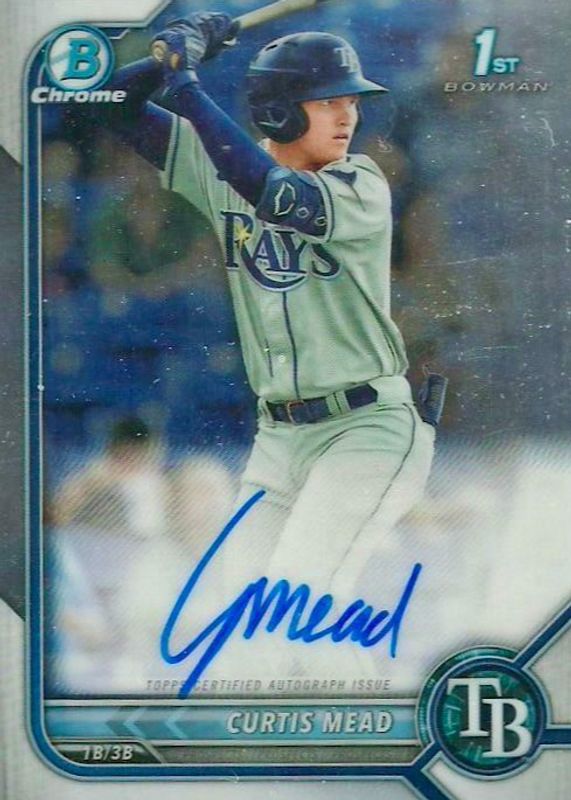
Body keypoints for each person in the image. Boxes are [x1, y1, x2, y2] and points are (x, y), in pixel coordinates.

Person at [97, 14, 443, 680]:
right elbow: (108, 105)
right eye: (327, 100)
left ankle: (365, 731)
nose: (347, 115)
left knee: (299, 600)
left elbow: (273, 193)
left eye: (350, 100)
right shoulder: (220, 163)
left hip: (366, 427)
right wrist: (171, 54)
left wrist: (187, 84)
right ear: (279, 111)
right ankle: (326, 729)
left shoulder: (360, 182)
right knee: (252, 616)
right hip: (279, 438)